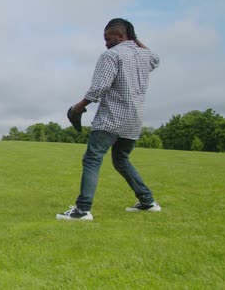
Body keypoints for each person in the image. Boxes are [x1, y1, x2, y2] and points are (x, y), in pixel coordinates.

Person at [57, 18, 161, 221]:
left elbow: (99, 88)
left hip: (111, 118)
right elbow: (156, 58)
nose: (105, 43)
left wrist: (77, 108)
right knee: (121, 159)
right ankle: (148, 202)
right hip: (134, 120)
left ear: (121, 36)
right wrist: (135, 38)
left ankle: (82, 210)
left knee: (92, 159)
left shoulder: (111, 55)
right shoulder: (144, 56)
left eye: (108, 38)